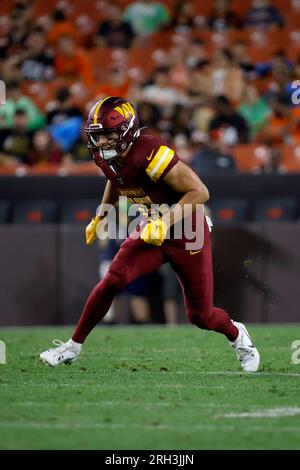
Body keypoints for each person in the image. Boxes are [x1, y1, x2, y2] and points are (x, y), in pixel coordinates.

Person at [40, 96, 260, 372]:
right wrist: (102, 214)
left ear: (126, 131)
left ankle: (238, 336)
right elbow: (116, 180)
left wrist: (165, 222)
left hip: (187, 230)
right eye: (97, 136)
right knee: (113, 279)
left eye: (107, 135)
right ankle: (72, 347)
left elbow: (200, 192)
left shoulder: (150, 151)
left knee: (201, 316)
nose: (101, 142)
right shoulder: (104, 154)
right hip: (152, 226)